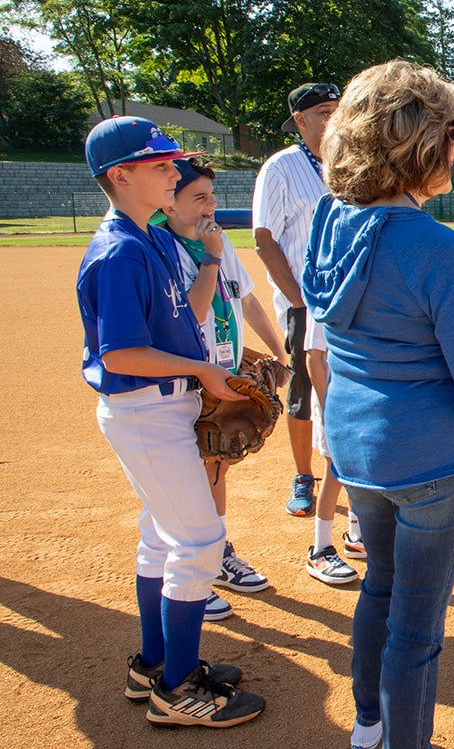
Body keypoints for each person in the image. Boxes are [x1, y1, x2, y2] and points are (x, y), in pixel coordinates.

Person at [302, 60, 454, 749]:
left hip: (356, 445)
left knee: (380, 589)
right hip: (430, 456)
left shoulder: (331, 225)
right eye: (452, 132)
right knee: (417, 627)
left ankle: (369, 725)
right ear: (423, 142)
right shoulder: (437, 248)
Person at [77, 116, 264, 727]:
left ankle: (153, 665)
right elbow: (120, 352)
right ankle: (178, 690)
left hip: (168, 403)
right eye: (159, 165)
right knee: (200, 541)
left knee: (162, 536)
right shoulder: (120, 252)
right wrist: (206, 372)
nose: (172, 171)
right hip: (145, 408)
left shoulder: (152, 237)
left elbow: (191, 312)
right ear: (120, 175)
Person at [159, 158, 288, 618]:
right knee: (186, 479)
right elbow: (190, 315)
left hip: (224, 375)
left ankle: (215, 556)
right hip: (184, 383)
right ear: (168, 204)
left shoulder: (217, 239)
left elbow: (246, 297)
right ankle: (192, 568)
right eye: (199, 197)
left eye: (212, 196)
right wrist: (210, 256)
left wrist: (279, 351)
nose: (212, 205)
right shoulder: (161, 247)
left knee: (216, 466)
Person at [252, 81, 340, 516]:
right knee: (305, 391)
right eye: (324, 112)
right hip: (304, 303)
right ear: (300, 121)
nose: (334, 118)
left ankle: (349, 473)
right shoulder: (281, 167)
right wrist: (299, 301)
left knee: (346, 386)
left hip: (345, 301)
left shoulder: (349, 164)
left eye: (337, 109)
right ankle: (304, 475)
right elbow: (264, 239)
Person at [303, 311, 363, 584]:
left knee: (360, 467)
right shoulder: (324, 299)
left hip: (358, 398)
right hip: (333, 401)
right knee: (334, 469)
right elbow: (313, 357)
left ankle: (357, 536)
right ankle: (320, 549)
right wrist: (328, 408)